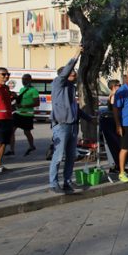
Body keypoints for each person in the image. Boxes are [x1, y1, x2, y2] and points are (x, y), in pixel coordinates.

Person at [49, 50, 92, 193]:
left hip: (73, 126)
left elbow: (75, 108)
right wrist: (76, 54)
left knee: (70, 157)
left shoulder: (71, 88)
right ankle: (53, 183)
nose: (75, 74)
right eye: (72, 72)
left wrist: (89, 118)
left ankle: (67, 181)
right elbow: (67, 69)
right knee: (58, 156)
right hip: (61, 126)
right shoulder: (58, 84)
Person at [9, 73, 40, 157]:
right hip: (18, 113)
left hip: (27, 115)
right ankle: (12, 150)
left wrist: (24, 106)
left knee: (27, 132)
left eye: (26, 79)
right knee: (11, 131)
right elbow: (21, 100)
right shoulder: (22, 89)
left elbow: (37, 103)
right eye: (23, 79)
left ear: (30, 80)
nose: (24, 81)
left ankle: (32, 146)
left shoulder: (34, 90)